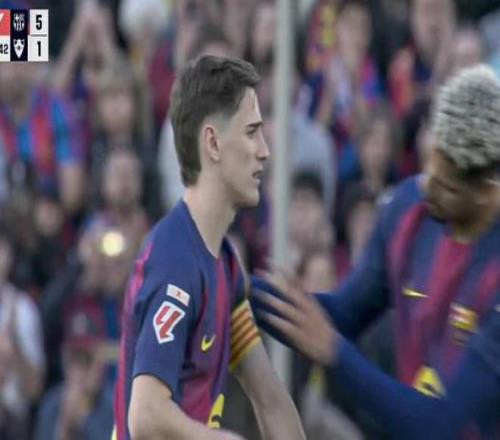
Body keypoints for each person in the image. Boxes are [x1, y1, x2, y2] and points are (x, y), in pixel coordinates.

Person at [252, 64, 500, 439]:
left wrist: (335, 352)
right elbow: (344, 313)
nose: (429, 192)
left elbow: (445, 427)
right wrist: (238, 289)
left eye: (448, 187)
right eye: (429, 169)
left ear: (486, 191)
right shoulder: (407, 210)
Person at [114, 55, 305, 440]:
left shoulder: (225, 266)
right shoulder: (175, 260)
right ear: (213, 143)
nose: (264, 150)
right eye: (251, 132)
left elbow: (269, 398)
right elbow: (145, 414)